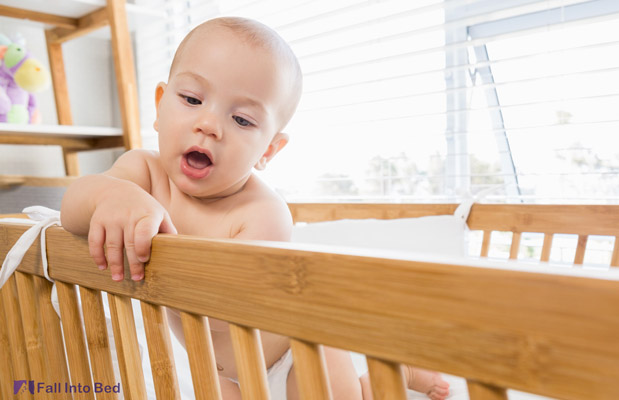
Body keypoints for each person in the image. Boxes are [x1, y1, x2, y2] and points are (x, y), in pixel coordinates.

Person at [60, 17, 449, 400]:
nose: (209, 124)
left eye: (242, 119)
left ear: (268, 150)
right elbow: (70, 212)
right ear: (160, 106)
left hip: (297, 353)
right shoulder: (142, 172)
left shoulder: (262, 213)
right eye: (192, 99)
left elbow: (219, 312)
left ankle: (396, 375)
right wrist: (109, 196)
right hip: (215, 367)